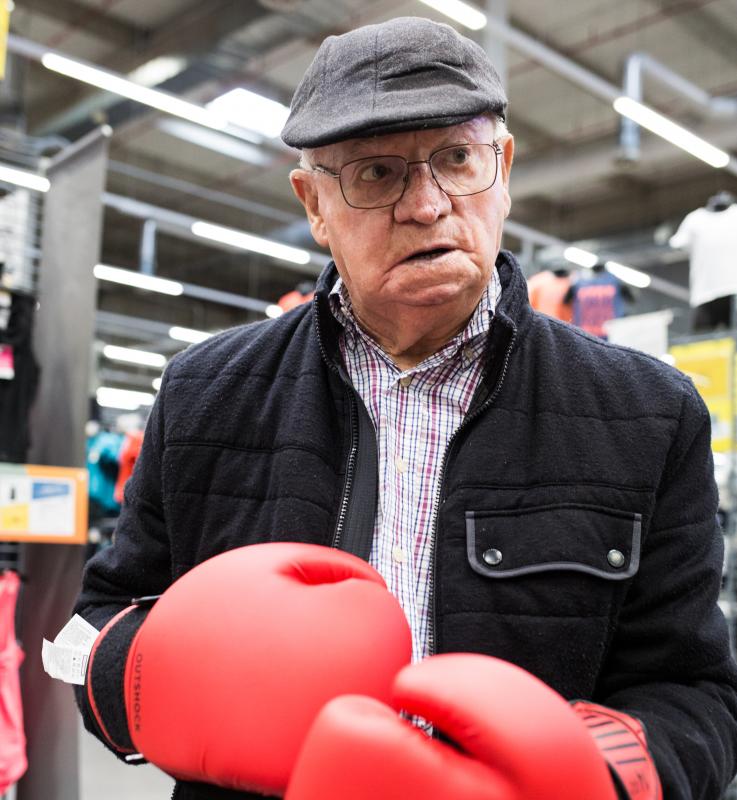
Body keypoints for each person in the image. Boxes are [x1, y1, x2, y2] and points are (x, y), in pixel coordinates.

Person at [72, 16, 737, 800]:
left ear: (504, 167)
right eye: (377, 174)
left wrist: (599, 770)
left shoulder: (649, 414)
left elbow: (697, 697)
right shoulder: (204, 392)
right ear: (313, 204)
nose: (426, 205)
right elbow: (93, 624)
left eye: (457, 159)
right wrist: (151, 684)